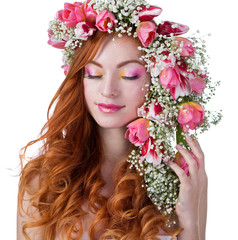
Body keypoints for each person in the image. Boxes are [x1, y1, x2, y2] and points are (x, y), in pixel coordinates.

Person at [17, 0, 220, 239]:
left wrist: (188, 219)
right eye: (94, 74)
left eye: (129, 75)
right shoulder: (43, 179)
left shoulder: (183, 180)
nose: (108, 90)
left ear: (158, 83)